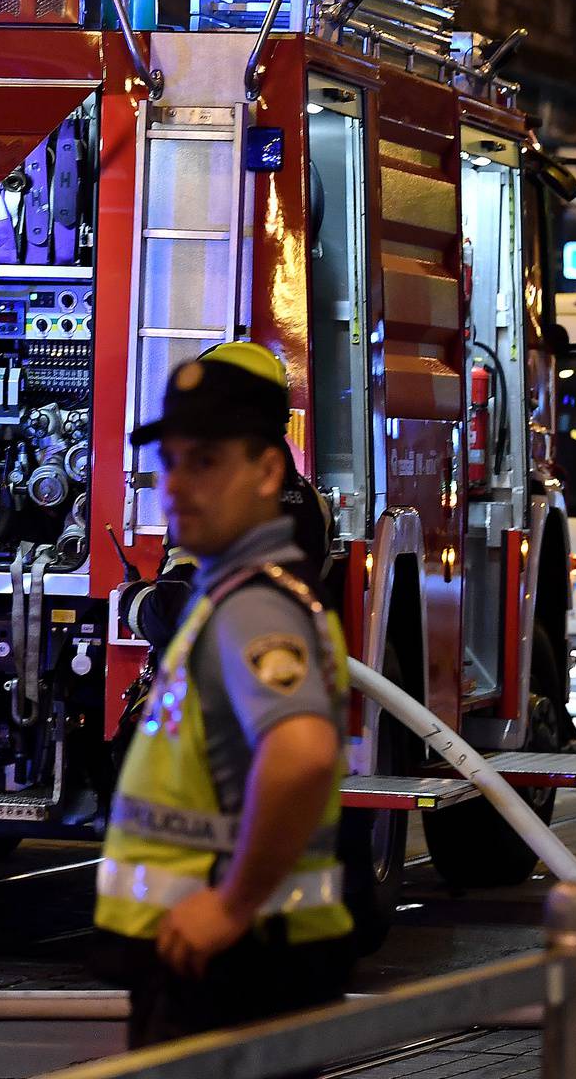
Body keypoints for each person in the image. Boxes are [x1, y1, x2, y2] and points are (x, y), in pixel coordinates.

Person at [94, 340, 358, 1049]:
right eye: (172, 460)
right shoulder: (231, 594)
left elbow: (300, 755)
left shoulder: (255, 610)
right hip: (217, 955)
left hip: (235, 961)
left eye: (206, 461)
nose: (177, 485)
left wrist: (231, 904)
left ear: (270, 468)